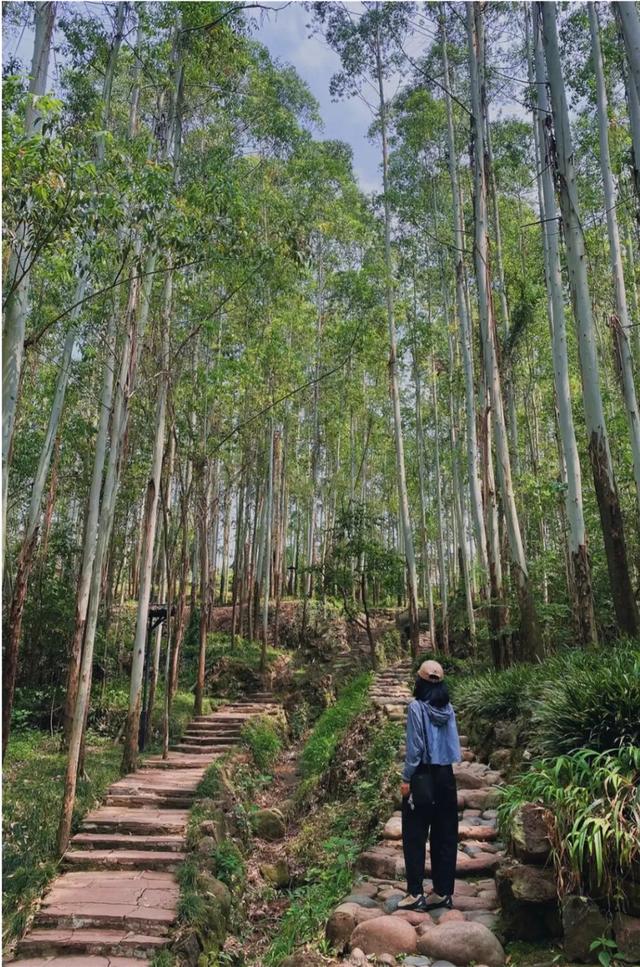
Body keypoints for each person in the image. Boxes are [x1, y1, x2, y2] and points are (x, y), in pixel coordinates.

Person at [398, 659, 461, 912]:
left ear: (419, 681)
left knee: (414, 834)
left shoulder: (416, 707)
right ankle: (443, 892)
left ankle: (415, 892)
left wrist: (406, 778)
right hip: (446, 776)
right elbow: (453, 744)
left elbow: (416, 749)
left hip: (423, 775)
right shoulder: (449, 709)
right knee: (445, 834)